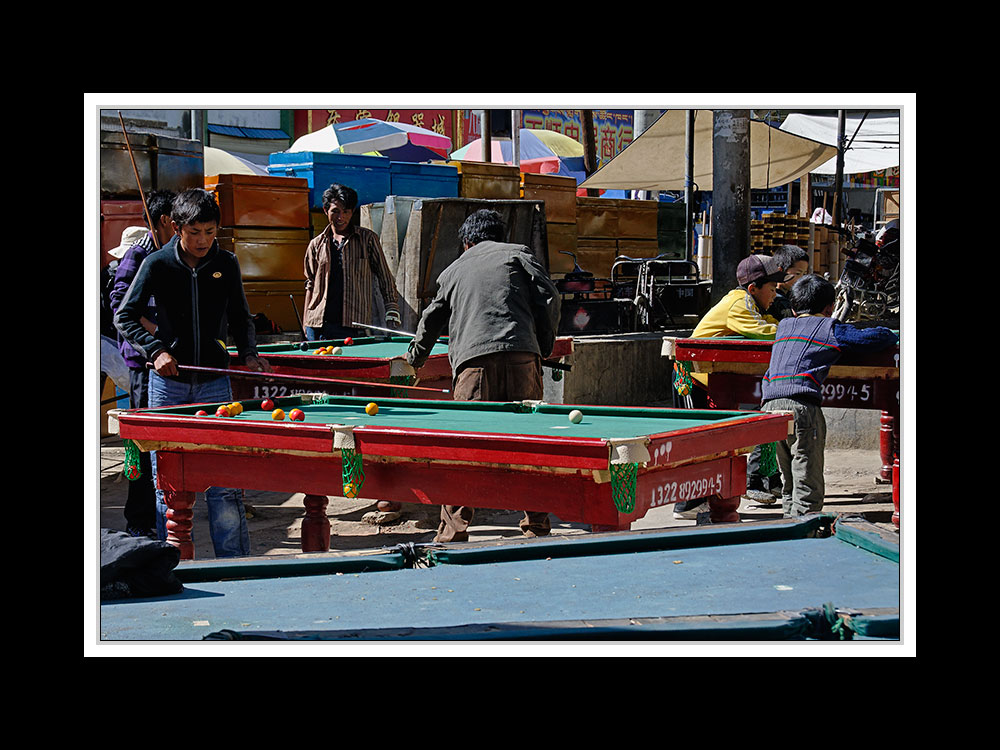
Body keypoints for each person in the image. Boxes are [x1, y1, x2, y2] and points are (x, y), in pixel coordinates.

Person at [114, 188, 270, 557]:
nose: (203, 240)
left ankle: (236, 566)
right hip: (167, 387)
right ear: (177, 227)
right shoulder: (157, 264)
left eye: (210, 232)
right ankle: (170, 564)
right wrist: (156, 351)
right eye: (195, 232)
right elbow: (124, 315)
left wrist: (249, 353)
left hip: (215, 384)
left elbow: (239, 317)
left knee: (224, 483)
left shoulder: (227, 263)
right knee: (165, 483)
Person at [405, 209, 561, 543]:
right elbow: (549, 297)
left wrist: (415, 357)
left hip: (474, 366)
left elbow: (431, 319)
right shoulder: (519, 254)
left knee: (464, 447)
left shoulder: (454, 269)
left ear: (466, 242)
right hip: (523, 359)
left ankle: (452, 533)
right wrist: (543, 346)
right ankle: (536, 525)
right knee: (529, 445)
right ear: (498, 237)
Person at [761, 274, 898, 517]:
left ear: (793, 308)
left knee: (789, 478)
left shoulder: (783, 327)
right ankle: (805, 530)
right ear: (830, 308)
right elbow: (873, 338)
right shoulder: (828, 327)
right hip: (801, 407)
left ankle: (787, 523)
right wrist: (890, 332)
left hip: (769, 406)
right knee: (807, 476)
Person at [672, 253, 785, 520]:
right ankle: (688, 504)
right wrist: (797, 329)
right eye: (771, 289)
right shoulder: (740, 305)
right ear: (753, 288)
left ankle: (703, 501)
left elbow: (768, 325)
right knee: (701, 443)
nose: (774, 295)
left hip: (710, 379)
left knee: (711, 442)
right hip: (691, 381)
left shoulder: (752, 305)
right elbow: (767, 332)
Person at [108, 190, 176, 538]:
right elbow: (121, 306)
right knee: (142, 438)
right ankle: (139, 520)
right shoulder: (139, 253)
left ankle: (167, 511)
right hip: (143, 361)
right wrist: (155, 333)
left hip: (170, 359)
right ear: (164, 221)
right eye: (176, 222)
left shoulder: (172, 253)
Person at [743, 243, 813, 502]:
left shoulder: (778, 298)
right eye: (798, 274)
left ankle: (770, 481)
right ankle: (758, 481)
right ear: (782, 273)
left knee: (772, 427)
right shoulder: (775, 302)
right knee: (768, 428)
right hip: (770, 375)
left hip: (774, 374)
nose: (803, 279)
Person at [303, 183, 401, 341]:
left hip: (353, 324)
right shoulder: (316, 244)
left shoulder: (367, 239)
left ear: (352, 212)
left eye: (346, 212)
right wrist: (305, 322)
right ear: (325, 211)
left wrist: (392, 307)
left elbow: (385, 277)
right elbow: (310, 283)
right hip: (317, 324)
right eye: (335, 211)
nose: (340, 217)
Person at [767, 244, 810, 321]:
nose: (801, 278)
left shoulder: (795, 297)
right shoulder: (772, 299)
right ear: (781, 271)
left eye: (804, 274)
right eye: (797, 273)